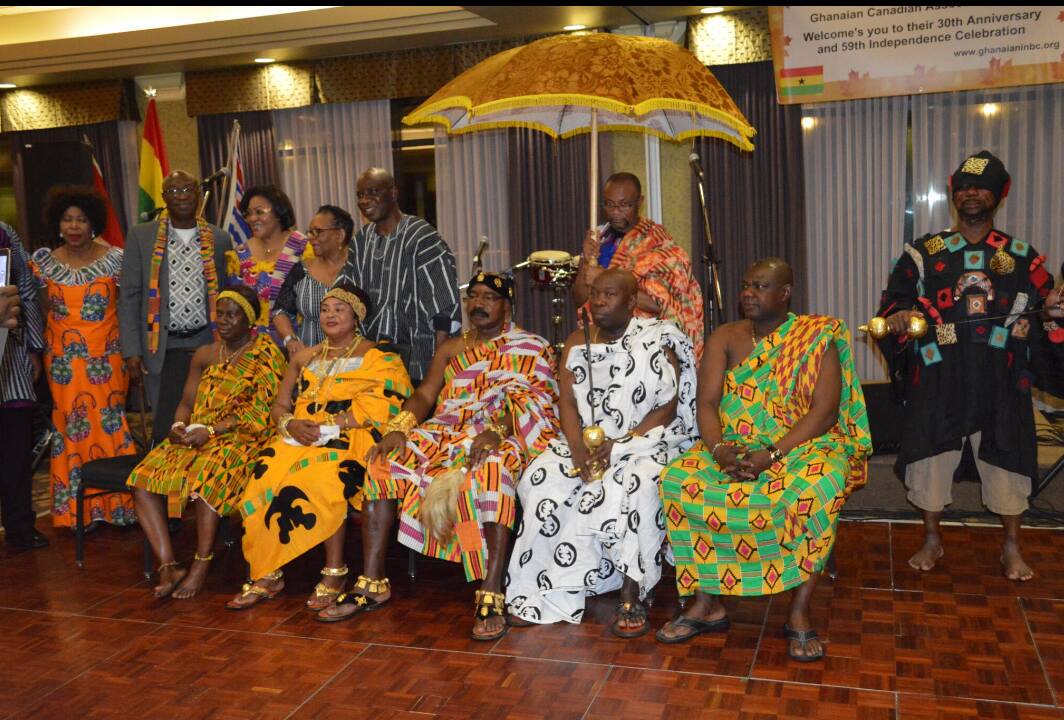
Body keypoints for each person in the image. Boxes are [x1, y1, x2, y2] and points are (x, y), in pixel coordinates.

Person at [316, 272, 558, 642]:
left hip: (504, 433)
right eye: (473, 296)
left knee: (491, 471)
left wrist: (497, 430)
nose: (478, 304)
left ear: (507, 306)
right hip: (447, 430)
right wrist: (399, 428)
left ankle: (492, 590)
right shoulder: (452, 348)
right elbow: (426, 395)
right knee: (382, 461)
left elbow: (536, 403)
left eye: (489, 297)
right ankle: (372, 582)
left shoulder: (532, 347)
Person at [657, 259, 870, 662]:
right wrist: (719, 451)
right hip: (733, 446)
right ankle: (706, 602)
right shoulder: (726, 336)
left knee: (815, 488)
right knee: (678, 481)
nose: (748, 294)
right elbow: (707, 402)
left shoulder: (816, 337)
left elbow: (825, 412)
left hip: (801, 447)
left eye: (760, 286)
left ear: (785, 293)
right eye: (746, 285)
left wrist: (771, 456)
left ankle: (799, 611)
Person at [876, 151, 1063, 582]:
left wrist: (1054, 312)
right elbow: (894, 300)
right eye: (962, 187)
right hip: (940, 376)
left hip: (1001, 378)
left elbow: (1046, 310)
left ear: (998, 194)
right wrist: (900, 316)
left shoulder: (1022, 256)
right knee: (930, 458)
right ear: (953, 195)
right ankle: (932, 536)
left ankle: (1011, 544)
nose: (971, 193)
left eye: (980, 187)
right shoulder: (923, 253)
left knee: (1008, 460)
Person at [507, 269, 698, 638]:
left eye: (609, 295)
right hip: (584, 441)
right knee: (541, 478)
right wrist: (578, 450)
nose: (598, 301)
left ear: (631, 302)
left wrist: (620, 445)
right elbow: (566, 402)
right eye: (595, 293)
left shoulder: (658, 337)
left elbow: (668, 408)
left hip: (647, 440)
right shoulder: (576, 341)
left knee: (636, 483)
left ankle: (632, 591)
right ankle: (539, 588)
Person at [229, 283, 413, 611]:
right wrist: (290, 424)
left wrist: (335, 424)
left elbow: (388, 405)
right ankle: (267, 571)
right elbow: (278, 407)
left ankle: (334, 572)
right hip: (300, 438)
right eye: (325, 309)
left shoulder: (378, 356)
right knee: (262, 479)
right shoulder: (304, 357)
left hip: (351, 439)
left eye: (339, 309)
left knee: (316, 480)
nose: (330, 315)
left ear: (356, 317)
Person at [127, 285, 285, 599]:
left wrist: (212, 432)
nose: (223, 320)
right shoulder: (205, 354)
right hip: (197, 434)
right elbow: (186, 402)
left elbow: (261, 414)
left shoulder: (266, 354)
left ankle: (202, 562)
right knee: (141, 480)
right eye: (220, 313)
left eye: (232, 315)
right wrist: (178, 425)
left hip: (243, 438)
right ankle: (168, 565)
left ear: (250, 320)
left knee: (206, 477)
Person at [31, 186, 136, 529]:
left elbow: (128, 309)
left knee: (109, 424)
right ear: (58, 224)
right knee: (72, 429)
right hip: (63, 363)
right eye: (67, 219)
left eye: (81, 219)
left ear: (94, 224)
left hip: (108, 359)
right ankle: (78, 512)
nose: (74, 226)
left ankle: (118, 507)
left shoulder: (116, 259)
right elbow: (43, 312)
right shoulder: (43, 263)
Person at [119, 171, 231, 446]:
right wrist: (132, 350)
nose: (181, 196)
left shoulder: (219, 239)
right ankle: (163, 470)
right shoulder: (141, 237)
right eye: (173, 191)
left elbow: (227, 294)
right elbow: (129, 295)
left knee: (205, 416)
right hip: (159, 346)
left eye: (187, 189)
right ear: (163, 197)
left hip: (207, 342)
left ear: (198, 194)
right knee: (166, 422)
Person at [347, 167, 461, 385]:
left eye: (373, 192)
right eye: (360, 195)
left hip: (419, 359)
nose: (365, 200)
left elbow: (444, 305)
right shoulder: (360, 241)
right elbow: (347, 294)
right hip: (374, 359)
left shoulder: (422, 236)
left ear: (393, 193)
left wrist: (439, 364)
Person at [572, 172, 705, 358]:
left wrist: (603, 277)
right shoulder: (599, 239)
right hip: (602, 341)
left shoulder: (656, 242)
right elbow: (580, 301)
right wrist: (586, 260)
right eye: (609, 204)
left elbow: (659, 305)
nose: (615, 211)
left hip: (646, 345)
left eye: (624, 205)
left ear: (639, 202)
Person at [0, 221, 47, 549]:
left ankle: (20, 527)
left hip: (10, 359)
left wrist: (34, 347)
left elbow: (27, 289)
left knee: (16, 450)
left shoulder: (4, 233)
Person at [226, 185, 309, 341]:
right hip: (251, 347)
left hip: (296, 344)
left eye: (259, 212)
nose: (252, 219)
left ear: (279, 213)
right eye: (248, 213)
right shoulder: (240, 254)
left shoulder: (302, 248)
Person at [273, 205, 358, 354]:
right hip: (310, 358)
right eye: (310, 232)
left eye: (318, 231)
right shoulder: (301, 270)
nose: (311, 237)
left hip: (355, 357)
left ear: (340, 235)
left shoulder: (359, 269)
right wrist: (290, 339)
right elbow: (280, 311)